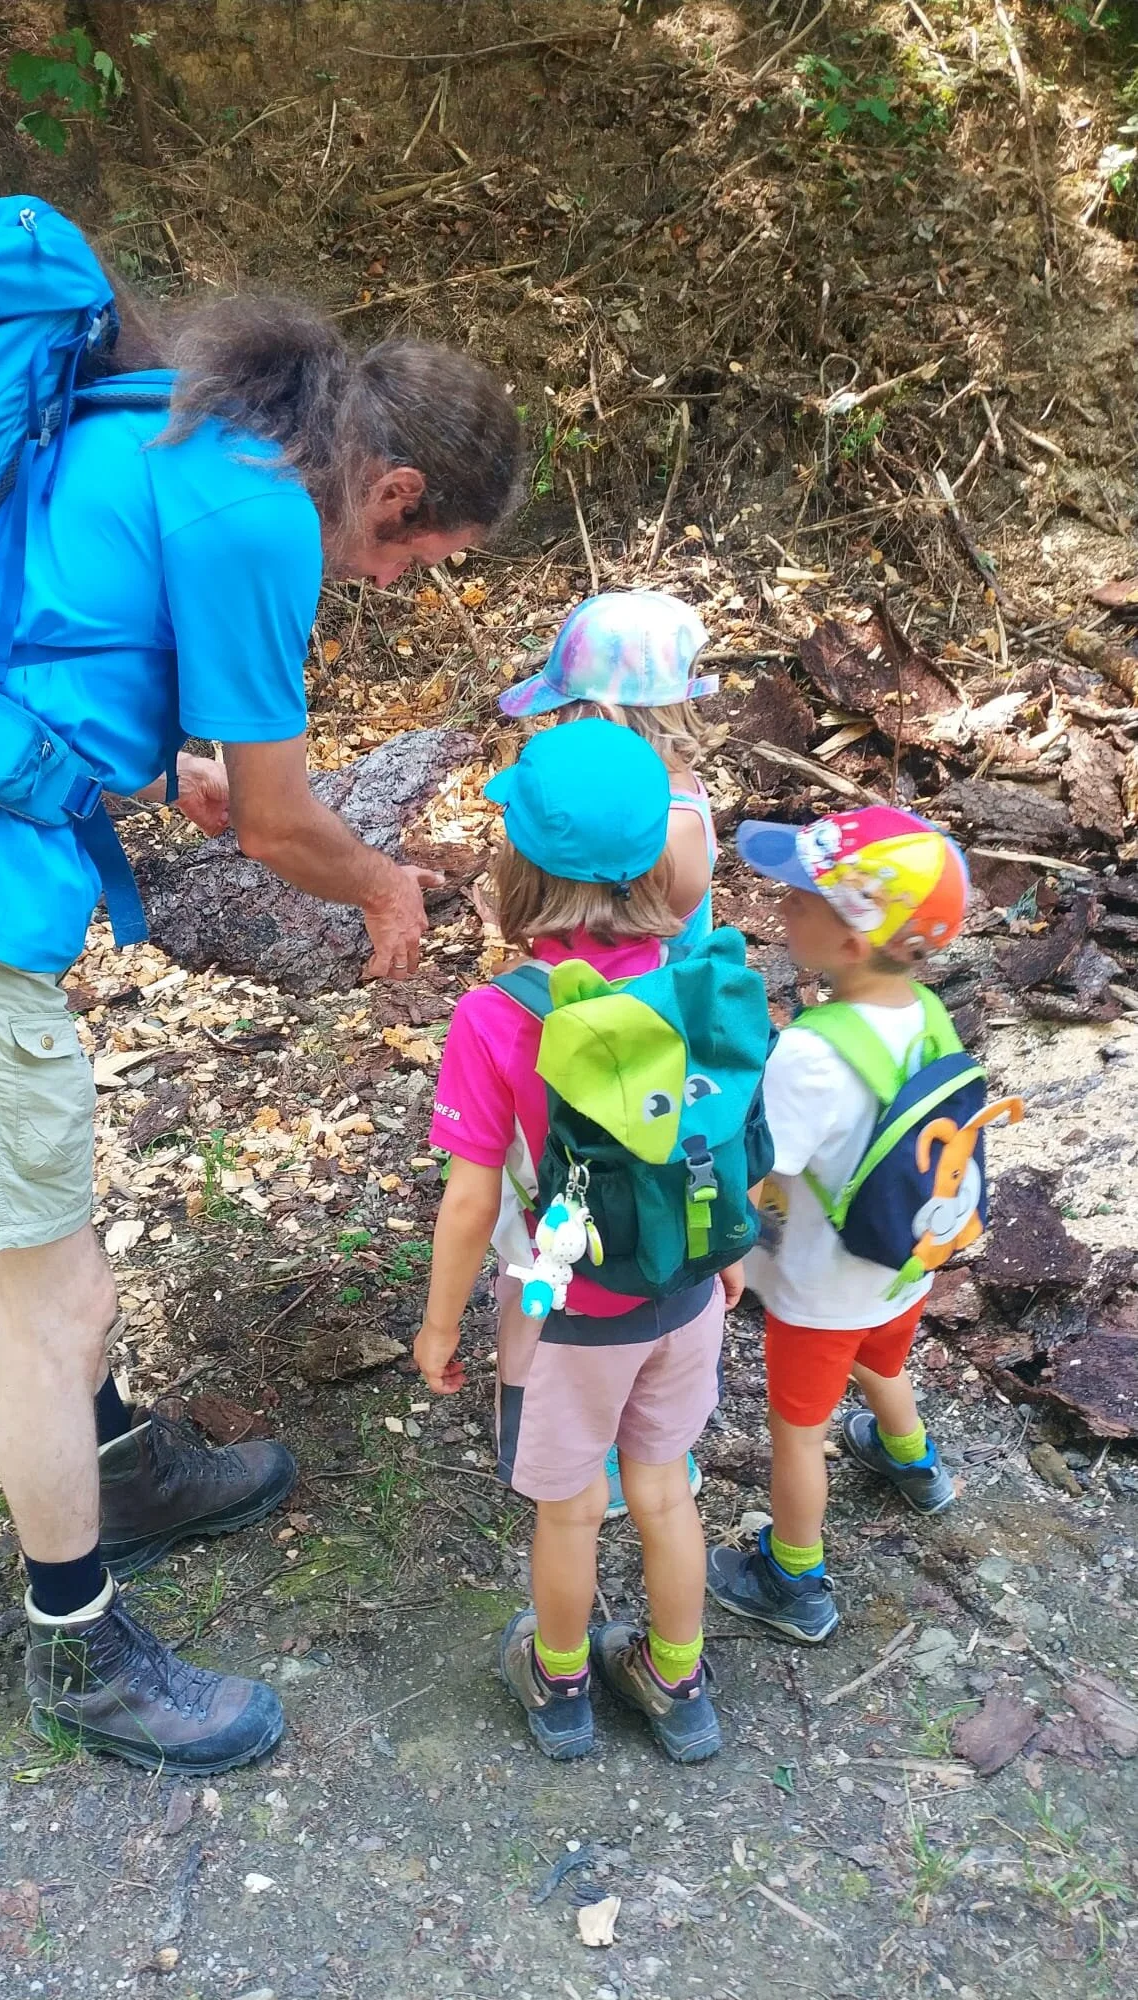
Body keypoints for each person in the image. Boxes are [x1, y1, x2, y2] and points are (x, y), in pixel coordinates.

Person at [0, 295, 522, 1774]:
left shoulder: (191, 432)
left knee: (58, 1244)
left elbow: (61, 623)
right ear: (393, 491)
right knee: (49, 1303)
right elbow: (281, 819)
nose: (388, 580)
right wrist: (383, 883)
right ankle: (78, 1645)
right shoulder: (268, 516)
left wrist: (167, 765)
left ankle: (119, 1470)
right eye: (411, 556)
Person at [414, 719, 743, 1766]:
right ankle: (675, 1679)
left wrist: (435, 1325)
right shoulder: (692, 983)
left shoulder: (498, 1015)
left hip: (565, 1307)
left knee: (570, 1509)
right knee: (663, 1486)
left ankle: (559, 1680)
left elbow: (470, 1203)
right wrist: (725, 1254)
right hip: (683, 1295)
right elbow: (722, 1133)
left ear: (517, 870)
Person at [707, 809, 969, 1645]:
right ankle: (914, 1461)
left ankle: (793, 1575)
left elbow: (761, 1161)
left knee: (798, 1431)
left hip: (821, 1287)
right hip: (905, 1262)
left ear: (853, 944)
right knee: (882, 1359)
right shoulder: (927, 1009)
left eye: (803, 896)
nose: (782, 902)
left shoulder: (813, 1053)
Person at [498, 589, 718, 1519]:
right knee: (646, 1231)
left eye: (572, 712)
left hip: (604, 1047)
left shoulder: (650, 824)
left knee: (550, 1232)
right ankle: (648, 1444)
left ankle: (543, 1421)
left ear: (606, 713)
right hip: (668, 1051)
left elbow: (603, 933)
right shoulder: (676, 802)